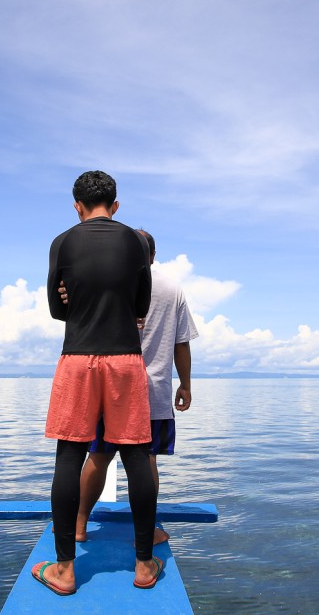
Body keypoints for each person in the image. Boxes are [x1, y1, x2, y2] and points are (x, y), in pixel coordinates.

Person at [32, 170, 162, 597]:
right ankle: (144, 564)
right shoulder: (135, 242)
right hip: (126, 359)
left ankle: (65, 570)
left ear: (77, 206)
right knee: (137, 457)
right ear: (116, 204)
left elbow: (56, 307)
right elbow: (141, 304)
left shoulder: (63, 242)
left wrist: (74, 298)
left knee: (69, 457)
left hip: (78, 359)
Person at [73, 229, 199, 546]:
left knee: (99, 456)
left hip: (108, 388)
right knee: (147, 460)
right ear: (153, 256)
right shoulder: (172, 289)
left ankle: (78, 524)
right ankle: (145, 531)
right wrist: (184, 384)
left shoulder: (107, 282)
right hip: (152, 389)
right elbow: (180, 344)